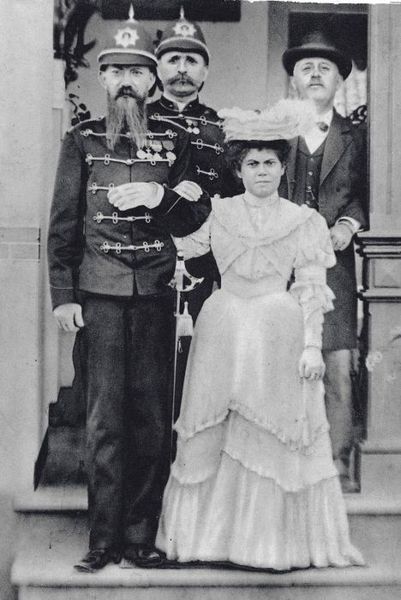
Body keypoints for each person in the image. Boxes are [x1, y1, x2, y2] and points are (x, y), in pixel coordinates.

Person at [155, 102, 364, 569]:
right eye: (253, 163)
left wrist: (312, 345)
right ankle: (211, 540)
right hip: (223, 325)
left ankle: (266, 544)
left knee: (271, 431)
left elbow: (312, 287)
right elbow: (184, 247)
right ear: (239, 168)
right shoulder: (219, 212)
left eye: (271, 162)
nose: (263, 171)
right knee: (217, 424)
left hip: (277, 327)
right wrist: (166, 196)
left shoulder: (302, 220)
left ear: (282, 167)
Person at [47, 10, 210, 573]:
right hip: (100, 295)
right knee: (103, 420)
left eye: (135, 71)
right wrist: (64, 295)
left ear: (151, 80)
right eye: (113, 70)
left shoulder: (176, 141)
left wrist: (155, 196)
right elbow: (64, 225)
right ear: (102, 78)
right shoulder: (81, 141)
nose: (124, 81)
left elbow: (192, 217)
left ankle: (140, 536)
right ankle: (102, 538)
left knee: (150, 416)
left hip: (160, 292)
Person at [280, 32, 368, 493]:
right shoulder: (275, 130)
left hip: (334, 265)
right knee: (282, 359)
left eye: (325, 68)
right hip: (279, 264)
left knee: (335, 361)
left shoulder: (357, 136)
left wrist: (347, 226)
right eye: (306, 67)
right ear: (293, 79)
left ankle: (335, 464)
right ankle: (283, 461)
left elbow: (366, 197)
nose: (315, 73)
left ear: (339, 81)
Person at [148, 7, 237, 321]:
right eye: (173, 60)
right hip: (147, 258)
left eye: (191, 61)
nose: (182, 69)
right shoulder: (139, 123)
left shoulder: (225, 130)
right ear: (157, 69)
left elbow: (235, 198)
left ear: (206, 71)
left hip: (205, 262)